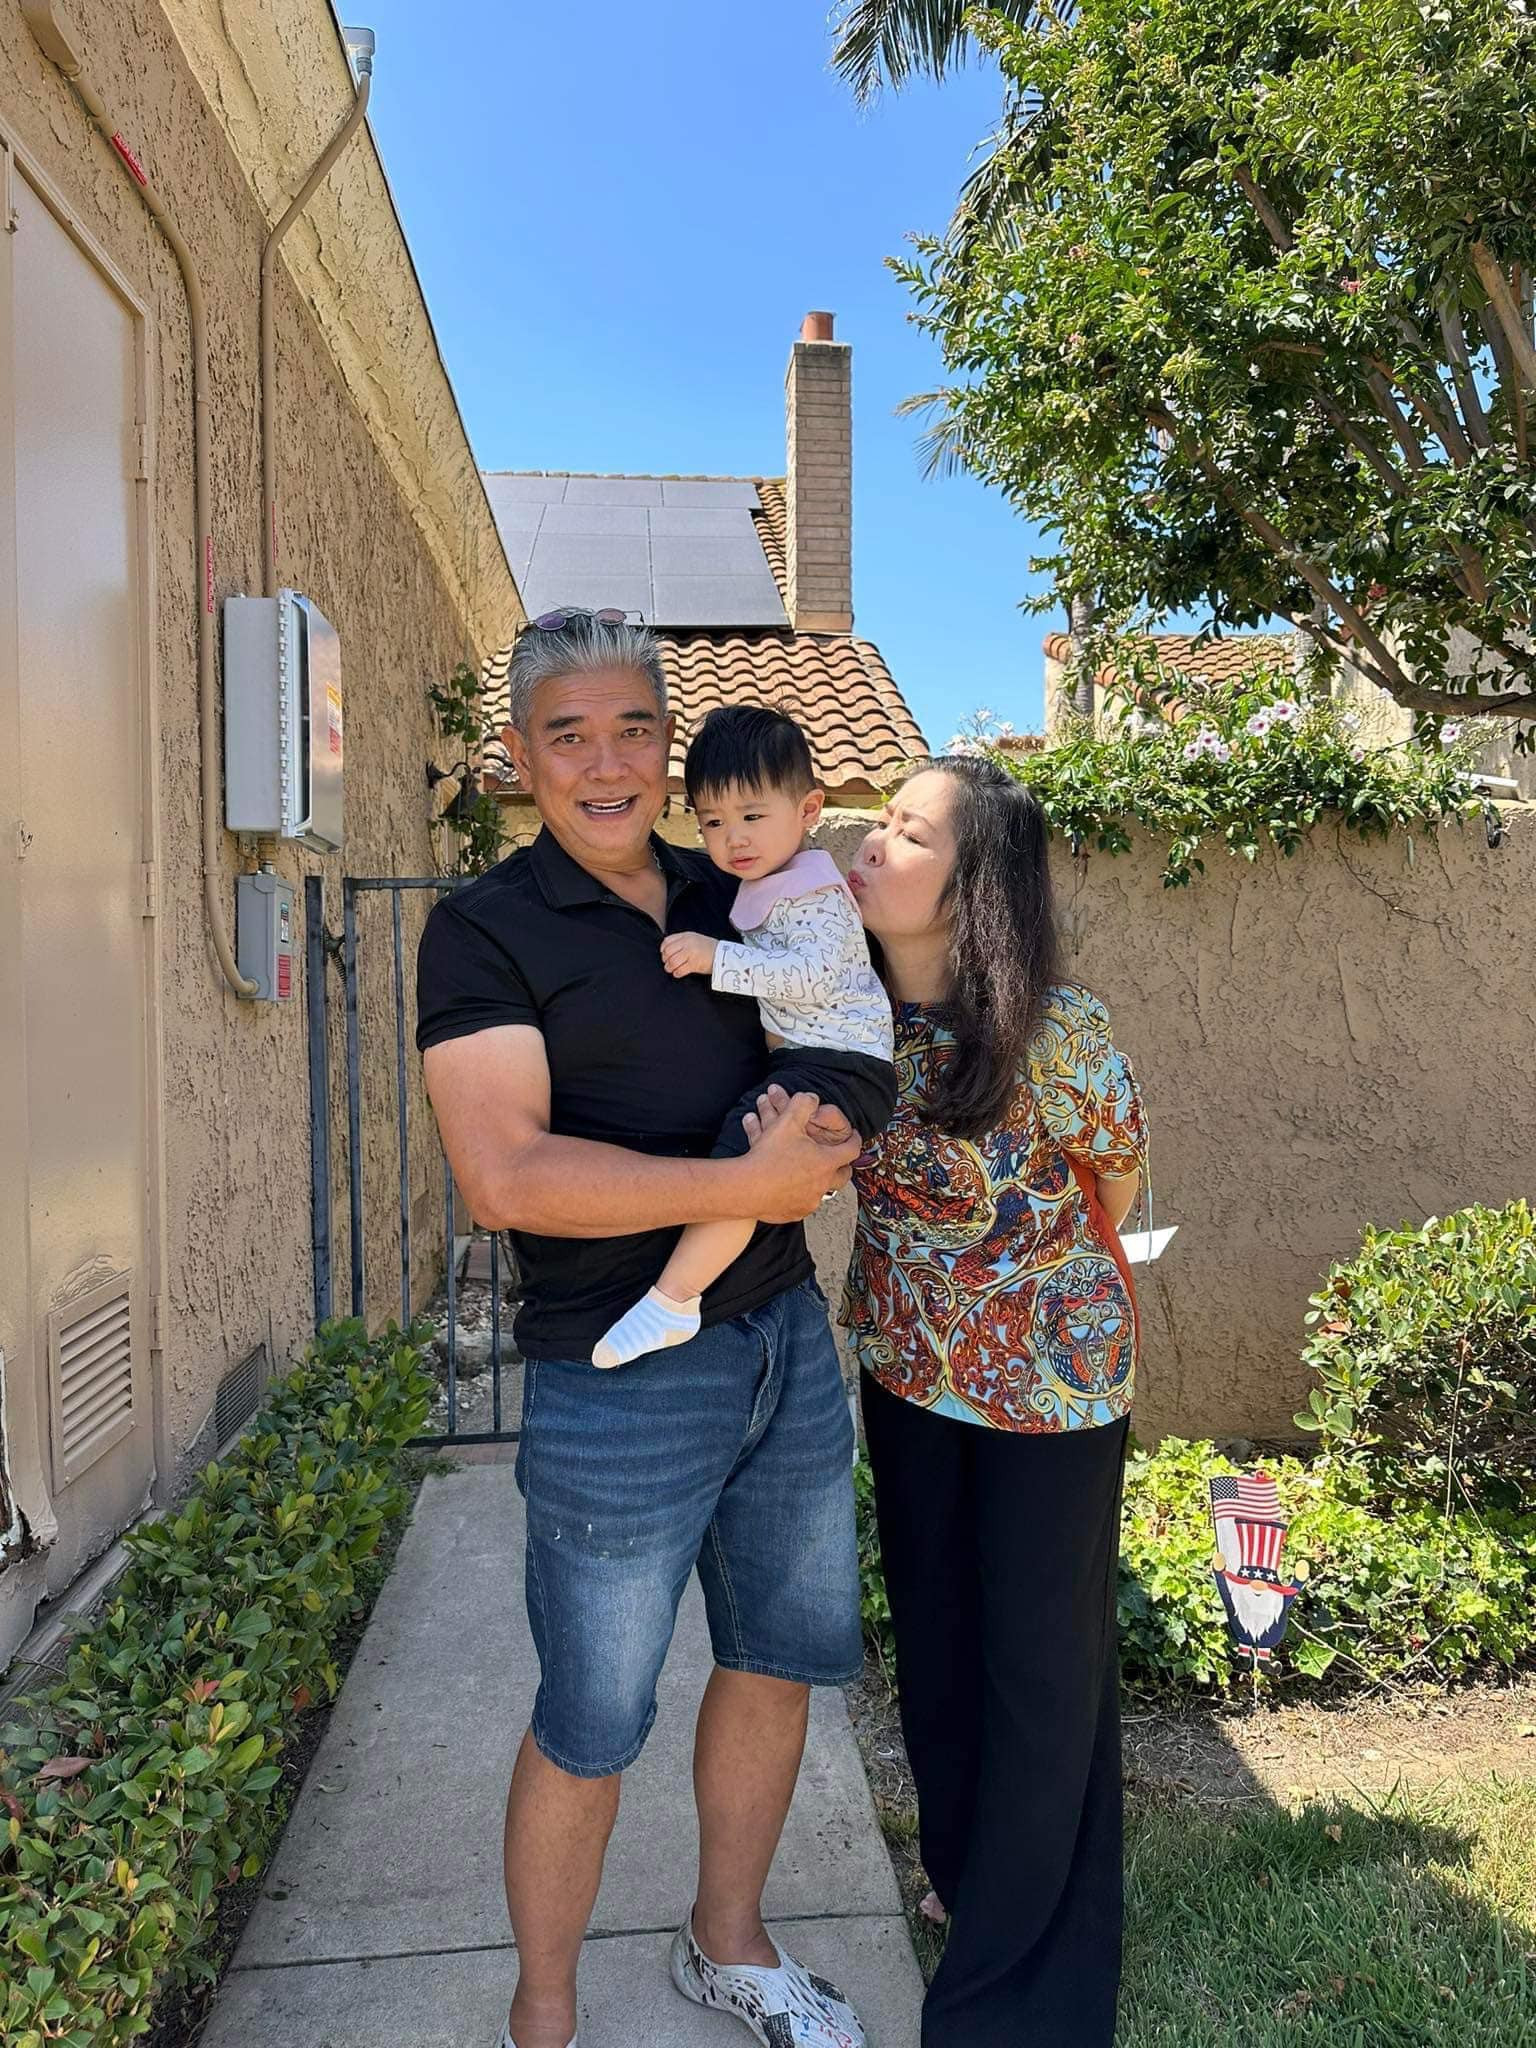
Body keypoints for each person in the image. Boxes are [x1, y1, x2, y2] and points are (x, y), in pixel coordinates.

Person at [414, 608, 869, 2048]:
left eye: (632, 730)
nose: (605, 763)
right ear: (520, 753)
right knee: (593, 1715)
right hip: (617, 1379)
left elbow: (852, 986)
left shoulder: (732, 882)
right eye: (570, 734)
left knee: (777, 1657)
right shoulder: (484, 928)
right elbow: (505, 1176)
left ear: (668, 744)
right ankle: (543, 2015)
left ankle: (728, 1944)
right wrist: (742, 1186)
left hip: (782, 1337)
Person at [846, 754, 1146, 2048]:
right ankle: (970, 1879)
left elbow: (1117, 1182)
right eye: (880, 820)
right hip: (909, 1375)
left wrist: (1019, 1294)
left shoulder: (1054, 1032)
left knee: (1040, 1669)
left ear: (974, 884)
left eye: (909, 832)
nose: (872, 842)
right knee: (938, 1648)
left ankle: (1018, 1986)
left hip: (1050, 1392)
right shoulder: (843, 1010)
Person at [594, 703, 897, 1369]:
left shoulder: (812, 893)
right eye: (713, 821)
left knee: (746, 1155)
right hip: (823, 1062)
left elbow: (812, 976)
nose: (733, 838)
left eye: (753, 815)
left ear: (809, 808)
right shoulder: (771, 883)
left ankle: (674, 1299)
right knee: (753, 1148)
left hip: (843, 1064)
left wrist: (715, 957)